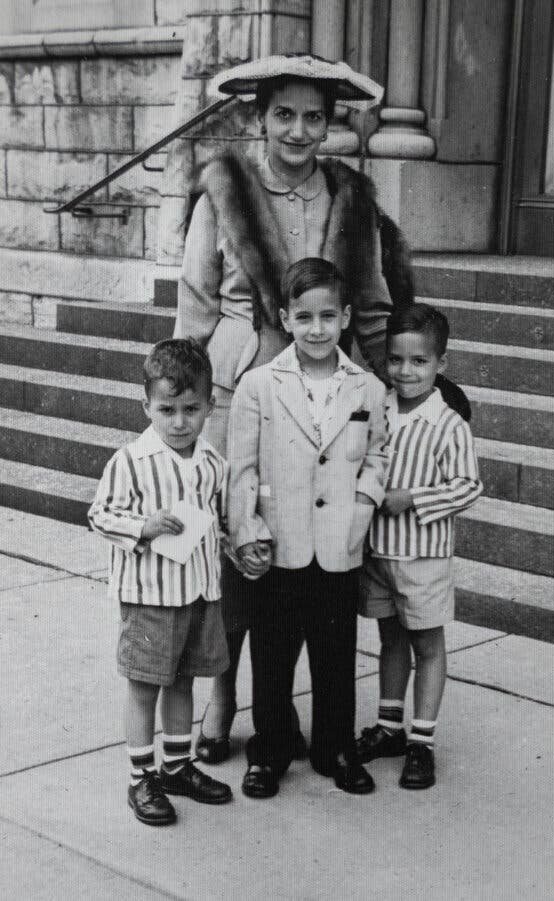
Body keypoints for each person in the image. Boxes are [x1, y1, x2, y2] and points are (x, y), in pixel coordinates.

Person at [174, 54, 418, 764]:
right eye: (284, 114)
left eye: (315, 116)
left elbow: (371, 305)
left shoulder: (350, 198)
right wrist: (187, 406)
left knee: (308, 552)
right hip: (239, 383)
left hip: (324, 396)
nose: (299, 130)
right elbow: (195, 303)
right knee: (236, 549)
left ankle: (310, 719)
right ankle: (223, 700)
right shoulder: (224, 191)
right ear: (259, 118)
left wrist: (393, 398)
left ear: (330, 124)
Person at [227, 257, 387, 798]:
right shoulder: (258, 385)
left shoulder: (365, 387)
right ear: (284, 317)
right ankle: (269, 750)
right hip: (279, 543)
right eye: (303, 318)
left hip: (339, 545)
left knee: (335, 654)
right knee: (272, 654)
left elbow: (376, 456)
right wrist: (247, 530)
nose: (316, 329)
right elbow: (242, 468)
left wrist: (362, 507)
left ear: (344, 317)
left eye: (327, 317)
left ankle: (334, 748)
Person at [88, 338, 233, 826]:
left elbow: (219, 520)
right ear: (145, 404)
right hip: (150, 597)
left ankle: (175, 765)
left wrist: (241, 544)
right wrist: (143, 527)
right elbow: (100, 515)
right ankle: (140, 777)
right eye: (167, 409)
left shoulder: (213, 463)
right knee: (146, 685)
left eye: (191, 409)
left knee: (183, 680)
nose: (179, 421)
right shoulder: (131, 460)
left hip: (197, 592)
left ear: (210, 405)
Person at [355, 304, 483, 789]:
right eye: (396, 360)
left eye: (419, 362)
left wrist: (414, 499)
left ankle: (421, 740)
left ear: (439, 365)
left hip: (423, 557)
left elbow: (468, 486)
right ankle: (390, 727)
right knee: (390, 640)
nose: (406, 372)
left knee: (427, 645)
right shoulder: (379, 406)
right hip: (378, 553)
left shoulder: (448, 423)